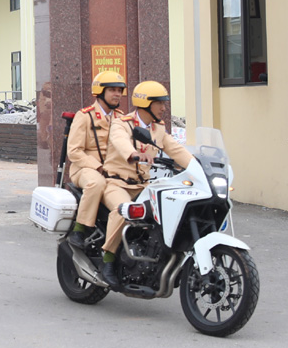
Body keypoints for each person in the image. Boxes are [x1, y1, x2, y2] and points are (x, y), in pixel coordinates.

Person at [99, 80, 192, 288]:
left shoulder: (158, 128)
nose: (163, 108)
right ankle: (108, 261)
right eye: (159, 103)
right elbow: (120, 140)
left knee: (172, 208)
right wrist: (133, 154)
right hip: (117, 183)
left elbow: (176, 149)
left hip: (144, 186)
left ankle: (161, 258)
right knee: (123, 210)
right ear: (146, 103)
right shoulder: (122, 122)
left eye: (164, 103)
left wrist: (198, 166)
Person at [65, 70, 126, 248]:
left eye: (119, 90)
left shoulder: (122, 118)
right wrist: (97, 167)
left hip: (113, 172)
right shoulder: (85, 116)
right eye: (112, 90)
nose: (117, 94)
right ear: (100, 93)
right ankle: (80, 228)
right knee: (96, 183)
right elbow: (74, 151)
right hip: (84, 169)